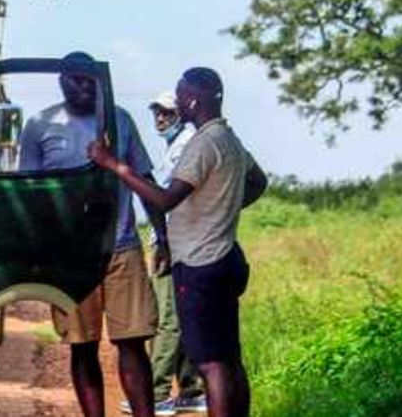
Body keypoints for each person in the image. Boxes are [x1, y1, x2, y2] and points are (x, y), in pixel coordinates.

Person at [89, 68, 268, 417]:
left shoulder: (202, 143)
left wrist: (115, 165)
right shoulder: (230, 140)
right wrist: (222, 207)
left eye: (180, 95)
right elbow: (258, 182)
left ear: (193, 99)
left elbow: (164, 200)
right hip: (227, 257)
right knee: (230, 357)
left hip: (201, 263)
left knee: (210, 364)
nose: (177, 103)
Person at [18, 52, 161, 417]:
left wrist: (165, 238)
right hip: (71, 256)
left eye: (89, 81)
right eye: (75, 80)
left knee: (132, 343)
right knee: (83, 346)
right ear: (61, 81)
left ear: (99, 82)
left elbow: (144, 180)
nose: (83, 87)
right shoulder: (39, 125)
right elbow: (30, 194)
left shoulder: (119, 121)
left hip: (121, 248)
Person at [133, 92, 205, 415]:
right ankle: (190, 388)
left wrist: (162, 241)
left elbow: (164, 199)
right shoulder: (178, 145)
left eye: (166, 113)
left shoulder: (186, 144)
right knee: (182, 314)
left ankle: (158, 391)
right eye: (156, 113)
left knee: (167, 318)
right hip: (182, 238)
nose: (160, 119)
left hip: (173, 239)